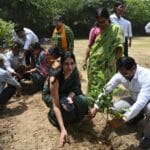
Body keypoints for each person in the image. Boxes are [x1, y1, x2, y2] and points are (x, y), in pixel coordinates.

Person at [90, 56, 150, 149]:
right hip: (134, 99)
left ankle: (147, 136)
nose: (123, 76)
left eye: (125, 73)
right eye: (121, 74)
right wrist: (96, 106)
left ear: (134, 68)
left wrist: (122, 120)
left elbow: (140, 103)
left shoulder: (146, 76)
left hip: (147, 101)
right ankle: (137, 116)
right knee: (114, 108)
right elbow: (106, 89)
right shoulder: (121, 74)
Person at [42, 51, 88, 147]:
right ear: (62, 64)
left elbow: (76, 88)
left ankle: (67, 107)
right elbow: (56, 105)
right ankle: (52, 116)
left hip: (66, 92)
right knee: (65, 109)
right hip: (52, 95)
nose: (70, 67)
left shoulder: (74, 71)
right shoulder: (55, 78)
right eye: (66, 64)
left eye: (72, 63)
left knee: (84, 102)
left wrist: (69, 97)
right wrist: (62, 129)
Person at [86, 8, 124, 103]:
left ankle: (104, 104)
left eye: (103, 21)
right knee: (94, 82)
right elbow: (90, 46)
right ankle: (93, 102)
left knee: (107, 83)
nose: (101, 24)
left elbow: (119, 46)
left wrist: (115, 60)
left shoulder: (115, 29)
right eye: (98, 22)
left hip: (108, 64)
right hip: (94, 62)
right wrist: (85, 59)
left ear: (108, 18)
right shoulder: (95, 30)